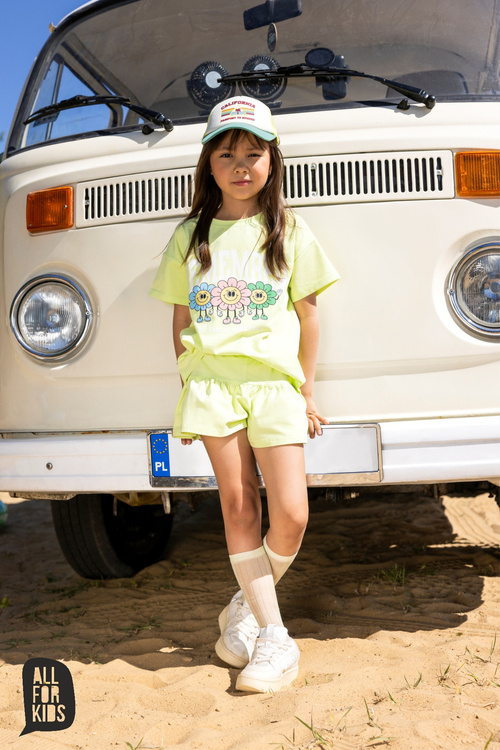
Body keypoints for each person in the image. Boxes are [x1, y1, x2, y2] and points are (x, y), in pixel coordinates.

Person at [149, 96, 339, 693]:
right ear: (208, 164)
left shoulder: (289, 229)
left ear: (271, 163)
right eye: (227, 153)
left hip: (273, 385)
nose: (240, 165)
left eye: (253, 154)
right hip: (213, 387)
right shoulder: (190, 235)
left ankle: (244, 607)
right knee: (238, 507)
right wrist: (192, 386)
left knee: (291, 513)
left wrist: (304, 390)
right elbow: (180, 321)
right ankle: (276, 640)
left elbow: (309, 319)